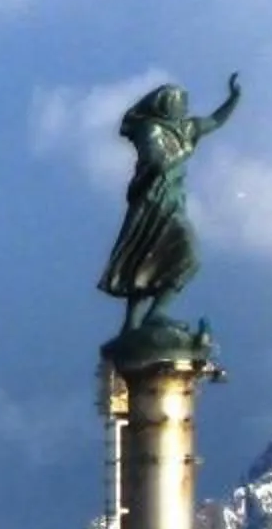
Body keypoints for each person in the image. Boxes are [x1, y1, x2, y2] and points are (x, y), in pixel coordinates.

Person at [97, 72, 241, 335]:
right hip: (152, 202)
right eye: (179, 103)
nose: (184, 108)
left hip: (172, 202)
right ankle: (136, 321)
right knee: (144, 257)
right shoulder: (150, 128)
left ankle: (155, 313)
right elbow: (157, 160)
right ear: (165, 104)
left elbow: (213, 122)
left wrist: (233, 99)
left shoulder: (184, 129)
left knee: (180, 257)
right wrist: (183, 151)